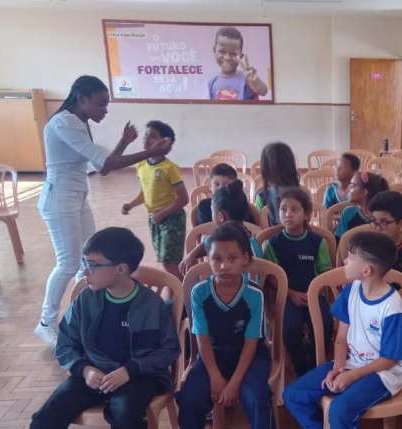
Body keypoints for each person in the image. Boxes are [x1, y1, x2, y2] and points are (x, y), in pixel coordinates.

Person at [10, 228, 181, 429]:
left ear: (121, 269)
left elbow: (167, 349)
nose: (84, 271)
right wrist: (84, 369)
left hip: (138, 376)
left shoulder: (150, 304)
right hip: (93, 374)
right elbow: (65, 344)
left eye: (92, 264)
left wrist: (129, 370)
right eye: (84, 263)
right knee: (44, 420)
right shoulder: (86, 299)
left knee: (126, 418)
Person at [35, 75, 172, 348]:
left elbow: (103, 167)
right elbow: (107, 163)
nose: (105, 110)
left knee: (87, 260)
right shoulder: (63, 122)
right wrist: (149, 153)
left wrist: (124, 142)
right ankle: (46, 322)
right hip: (59, 198)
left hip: (77, 197)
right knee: (68, 263)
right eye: (101, 104)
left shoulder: (79, 122)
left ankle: (80, 316)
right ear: (81, 98)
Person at [283, 232, 402, 429]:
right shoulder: (352, 290)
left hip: (383, 372)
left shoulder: (393, 307)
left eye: (350, 258)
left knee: (339, 410)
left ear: (367, 270)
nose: (343, 261)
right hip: (352, 362)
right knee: (293, 395)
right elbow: (341, 338)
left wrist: (351, 376)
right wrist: (338, 368)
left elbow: (390, 358)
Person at [176, 224, 284, 429]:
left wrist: (234, 382)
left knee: (257, 395)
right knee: (189, 399)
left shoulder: (253, 294)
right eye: (217, 259)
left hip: (250, 355)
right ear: (207, 260)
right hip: (213, 355)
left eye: (232, 258)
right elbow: (202, 339)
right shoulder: (200, 292)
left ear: (245, 259)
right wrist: (214, 376)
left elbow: (251, 342)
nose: (224, 266)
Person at [262, 187, 333, 377]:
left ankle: (315, 365)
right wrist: (291, 294)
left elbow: (325, 273)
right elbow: (271, 278)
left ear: (306, 214)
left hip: (313, 295)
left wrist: (313, 293)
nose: (288, 214)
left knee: (325, 325)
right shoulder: (274, 244)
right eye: (283, 209)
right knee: (289, 328)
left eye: (294, 210)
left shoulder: (317, 241)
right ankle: (301, 369)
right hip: (287, 297)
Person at [121, 120, 189, 281]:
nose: (146, 138)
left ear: (165, 142)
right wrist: (131, 204)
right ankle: (175, 289)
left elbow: (183, 199)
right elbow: (145, 193)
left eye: (152, 135)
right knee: (166, 260)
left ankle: (185, 288)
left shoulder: (169, 168)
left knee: (168, 262)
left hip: (172, 218)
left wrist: (161, 214)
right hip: (154, 218)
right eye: (146, 134)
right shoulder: (141, 165)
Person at [179, 180, 262, 276]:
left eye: (212, 211)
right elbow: (207, 242)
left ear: (221, 216)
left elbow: (211, 243)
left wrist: (191, 256)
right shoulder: (249, 237)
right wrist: (193, 254)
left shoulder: (225, 242)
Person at [208, 26, 268, 101]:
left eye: (233, 53)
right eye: (222, 51)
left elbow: (263, 91)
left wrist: (254, 80)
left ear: (241, 56)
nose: (227, 57)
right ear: (214, 51)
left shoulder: (247, 79)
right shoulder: (212, 82)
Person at [334, 172, 389, 241]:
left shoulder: (383, 217)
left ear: (364, 192)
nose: (347, 189)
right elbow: (339, 241)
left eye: (352, 186)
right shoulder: (348, 213)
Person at [254, 142, 299, 226]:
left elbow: (259, 227)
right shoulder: (303, 194)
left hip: (269, 234)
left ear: (265, 170)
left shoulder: (261, 196)